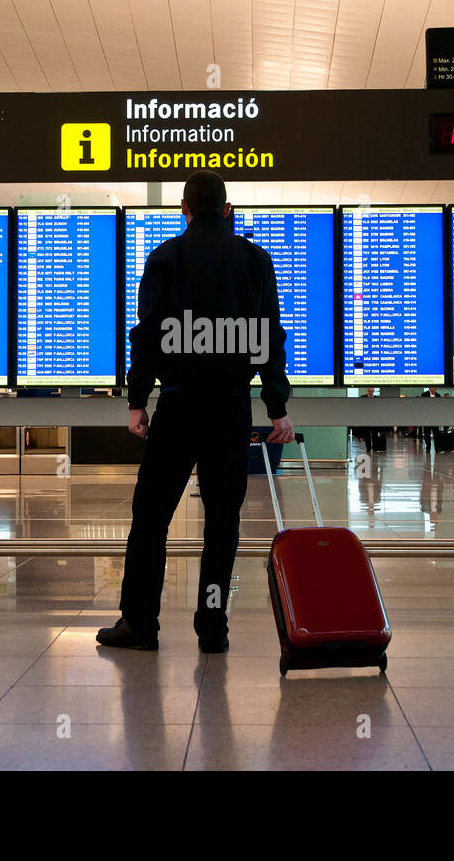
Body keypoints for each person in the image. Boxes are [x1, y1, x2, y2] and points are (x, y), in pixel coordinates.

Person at [97, 171, 292, 654]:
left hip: (179, 405)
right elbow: (270, 338)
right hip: (230, 407)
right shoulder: (255, 260)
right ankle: (212, 627)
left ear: (183, 209)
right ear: (228, 209)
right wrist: (277, 407)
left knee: (151, 517)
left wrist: (137, 401)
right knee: (222, 520)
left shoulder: (164, 257)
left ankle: (140, 624)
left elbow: (146, 335)